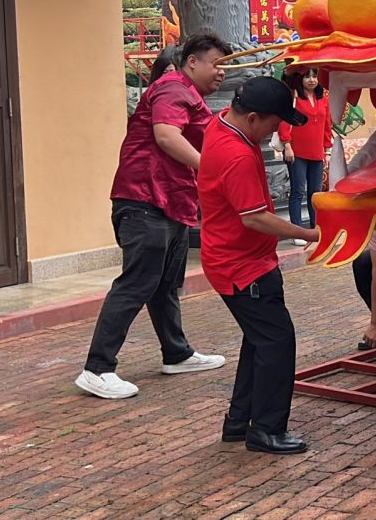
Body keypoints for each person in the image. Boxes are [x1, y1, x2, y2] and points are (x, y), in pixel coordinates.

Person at [76, 33, 230, 400]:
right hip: (145, 199)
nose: (221, 73)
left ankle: (176, 354)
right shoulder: (173, 88)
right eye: (216, 64)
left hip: (171, 201)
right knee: (137, 283)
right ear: (192, 61)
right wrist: (209, 170)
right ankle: (97, 368)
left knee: (163, 285)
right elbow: (165, 136)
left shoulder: (191, 96)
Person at [197, 77, 318, 454]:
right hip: (242, 265)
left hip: (237, 259)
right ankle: (265, 429)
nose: (276, 131)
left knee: (260, 341)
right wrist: (311, 234)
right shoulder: (234, 154)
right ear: (252, 117)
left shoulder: (222, 124)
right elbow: (255, 218)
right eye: (273, 122)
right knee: (277, 342)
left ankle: (239, 421)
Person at [277, 68, 333, 246]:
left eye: (314, 76)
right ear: (300, 79)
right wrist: (287, 145)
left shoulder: (323, 98)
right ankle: (297, 231)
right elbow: (285, 120)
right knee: (298, 191)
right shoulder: (294, 97)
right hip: (296, 152)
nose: (311, 80)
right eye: (307, 76)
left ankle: (315, 229)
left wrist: (327, 150)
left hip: (316, 152)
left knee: (315, 193)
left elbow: (327, 125)